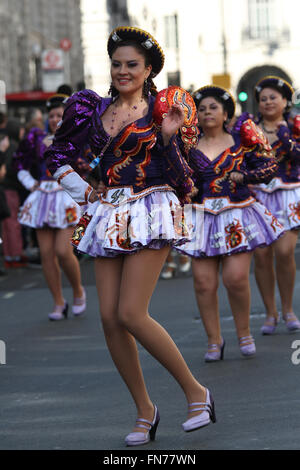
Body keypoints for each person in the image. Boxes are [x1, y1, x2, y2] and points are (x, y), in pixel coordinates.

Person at [45, 26, 216, 446]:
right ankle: (145, 410)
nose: (123, 71)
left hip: (151, 208)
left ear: (149, 69)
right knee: (108, 318)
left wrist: (171, 138)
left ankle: (197, 394)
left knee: (131, 313)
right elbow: (58, 154)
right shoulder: (90, 108)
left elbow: (188, 178)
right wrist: (84, 192)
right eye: (117, 64)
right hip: (107, 212)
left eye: (132, 65)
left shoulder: (166, 110)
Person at [176, 85, 284, 361]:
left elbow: (269, 166)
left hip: (237, 213)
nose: (207, 112)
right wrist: (188, 188)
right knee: (203, 282)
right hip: (201, 217)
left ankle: (244, 331)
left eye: (213, 107)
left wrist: (243, 176)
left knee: (235, 278)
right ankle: (214, 340)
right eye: (201, 109)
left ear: (226, 113)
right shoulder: (186, 146)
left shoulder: (240, 142)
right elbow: (174, 176)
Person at [14, 94, 86, 321]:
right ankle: (58, 301)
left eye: (60, 115)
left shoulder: (78, 138)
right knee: (46, 254)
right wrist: (30, 183)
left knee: (64, 251)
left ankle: (78, 291)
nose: (55, 119)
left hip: (67, 198)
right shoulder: (37, 138)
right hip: (43, 198)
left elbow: (91, 162)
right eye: (52, 115)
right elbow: (18, 162)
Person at [251, 76, 300, 334]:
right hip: (258, 196)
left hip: (288, 193)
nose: (268, 102)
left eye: (273, 97)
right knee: (261, 255)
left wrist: (285, 135)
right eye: (263, 98)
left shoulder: (294, 127)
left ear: (284, 101)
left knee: (284, 252)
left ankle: (288, 309)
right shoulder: (247, 129)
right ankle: (270, 312)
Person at [1, 119, 28, 268]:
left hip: (5, 188)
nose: (23, 133)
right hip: (11, 188)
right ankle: (15, 255)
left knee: (6, 224)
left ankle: (9, 254)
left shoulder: (6, 145)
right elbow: (13, 169)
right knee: (13, 223)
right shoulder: (14, 147)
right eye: (21, 130)